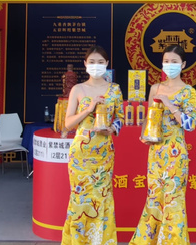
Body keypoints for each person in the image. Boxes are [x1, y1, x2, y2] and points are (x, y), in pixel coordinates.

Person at [129, 44, 196, 245]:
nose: (169, 65)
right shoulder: (155, 88)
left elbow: (190, 125)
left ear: (183, 64)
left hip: (176, 153)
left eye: (174, 62)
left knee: (173, 200)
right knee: (154, 198)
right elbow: (149, 118)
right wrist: (144, 135)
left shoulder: (188, 91)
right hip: (156, 152)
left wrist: (170, 104)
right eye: (166, 61)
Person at [61, 46, 125, 245]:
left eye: (100, 62)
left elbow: (121, 118)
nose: (96, 66)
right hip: (81, 154)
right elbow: (68, 123)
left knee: (102, 197)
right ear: (85, 64)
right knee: (80, 198)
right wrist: (89, 109)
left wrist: (112, 129)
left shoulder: (114, 90)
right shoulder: (78, 89)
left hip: (104, 152)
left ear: (107, 64)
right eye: (92, 62)